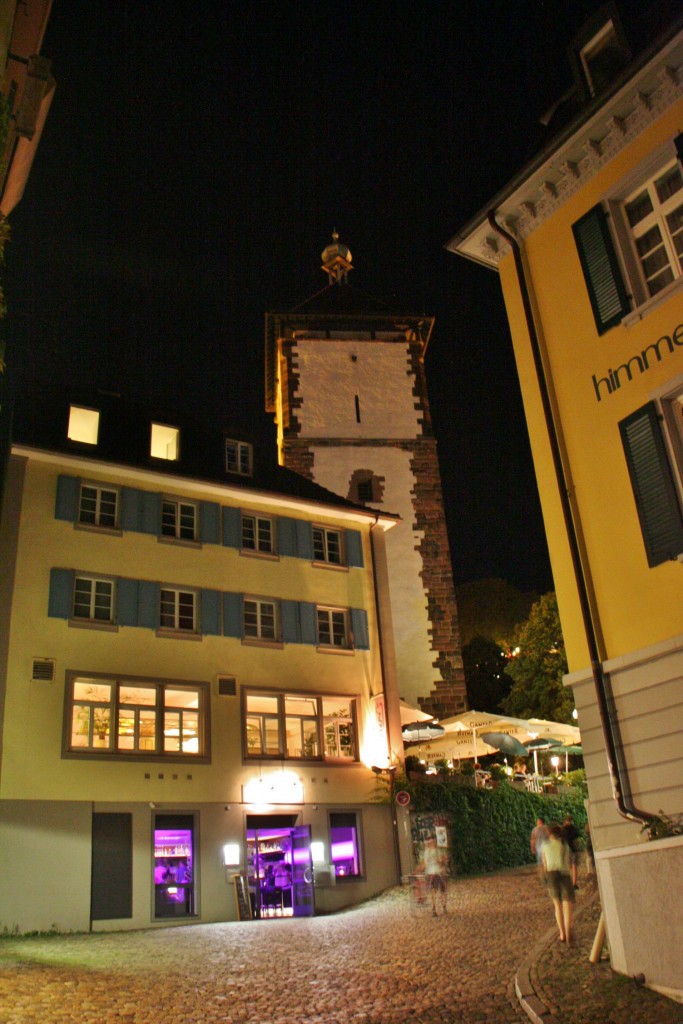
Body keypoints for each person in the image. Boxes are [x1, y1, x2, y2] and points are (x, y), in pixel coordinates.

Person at [542, 825, 575, 944]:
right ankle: (568, 930)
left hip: (551, 875)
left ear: (549, 834)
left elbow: (544, 864)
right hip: (564, 874)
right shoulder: (565, 845)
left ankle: (562, 934)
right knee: (567, 905)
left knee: (558, 906)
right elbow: (569, 862)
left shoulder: (545, 846)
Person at [419, 836, 448, 916]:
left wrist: (441, 861)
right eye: (430, 842)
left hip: (437, 872)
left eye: (432, 842)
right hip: (434, 872)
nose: (431, 844)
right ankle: (436, 907)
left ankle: (440, 907)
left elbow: (443, 861)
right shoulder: (427, 852)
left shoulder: (435, 851)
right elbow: (425, 864)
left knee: (438, 890)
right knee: (436, 890)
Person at [562, 814, 580, 889]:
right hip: (573, 849)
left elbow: (562, 840)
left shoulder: (563, 830)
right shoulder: (574, 829)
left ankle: (567, 883)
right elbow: (577, 838)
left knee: (567, 867)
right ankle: (574, 883)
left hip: (566, 850)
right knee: (574, 866)